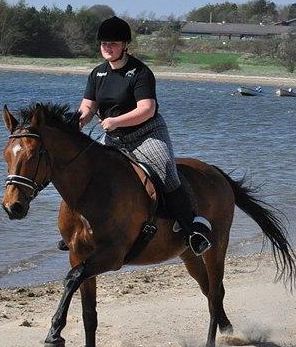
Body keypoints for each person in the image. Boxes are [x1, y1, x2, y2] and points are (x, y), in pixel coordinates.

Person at [77, 16, 212, 256]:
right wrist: (78, 121)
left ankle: (193, 230)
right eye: (104, 44)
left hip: (147, 133)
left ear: (125, 45)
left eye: (113, 44)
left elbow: (146, 109)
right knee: (87, 170)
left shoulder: (140, 72)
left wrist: (115, 121)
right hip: (115, 139)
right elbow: (88, 106)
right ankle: (81, 230)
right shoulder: (97, 74)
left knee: (166, 170)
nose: (108, 48)